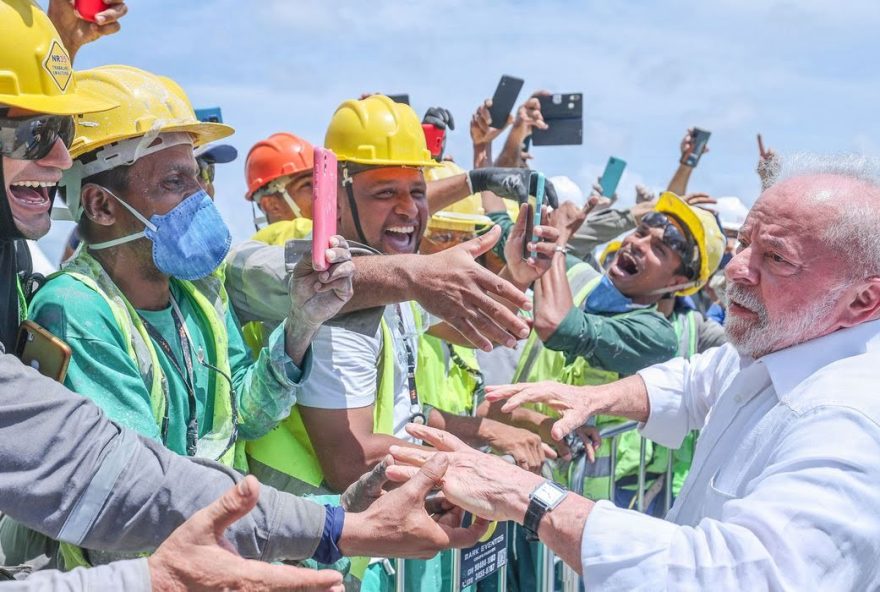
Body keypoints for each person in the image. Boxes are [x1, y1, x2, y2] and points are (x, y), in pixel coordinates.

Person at [0, 2, 484, 589]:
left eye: (200, 179)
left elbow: (246, 420)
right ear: (102, 206)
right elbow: (135, 499)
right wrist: (330, 528)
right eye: (175, 183)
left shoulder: (195, 299)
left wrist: (299, 330)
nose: (201, 199)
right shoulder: (79, 309)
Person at [397, 153, 880, 590]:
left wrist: (528, 496)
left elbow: (748, 578)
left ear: (862, 299)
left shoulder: (847, 423)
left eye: (776, 258)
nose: (737, 270)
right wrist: (597, 398)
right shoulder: (787, 341)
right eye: (744, 242)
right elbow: (700, 379)